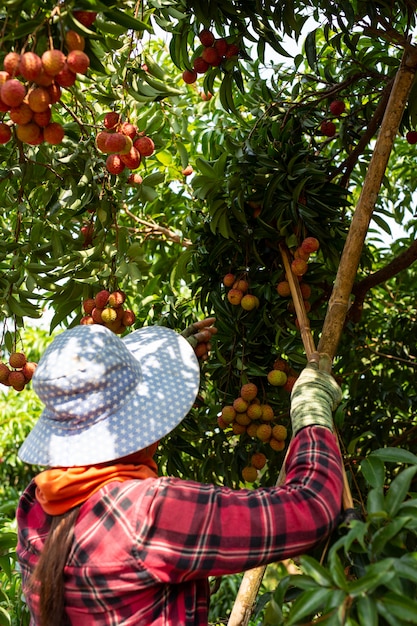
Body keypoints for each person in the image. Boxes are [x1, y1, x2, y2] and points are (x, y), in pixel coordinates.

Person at [16, 319, 343, 626]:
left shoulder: (35, 507)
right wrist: (310, 414)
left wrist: (165, 373)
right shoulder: (152, 514)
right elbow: (311, 506)